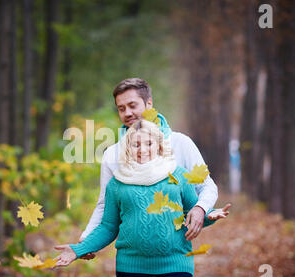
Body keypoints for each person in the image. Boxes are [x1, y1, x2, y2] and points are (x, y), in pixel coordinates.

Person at [54, 119, 230, 277]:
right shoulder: (117, 184)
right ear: (128, 148)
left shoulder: (179, 176)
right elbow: (108, 227)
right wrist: (78, 249)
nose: (143, 149)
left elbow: (193, 214)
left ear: (159, 145)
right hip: (131, 270)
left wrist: (209, 215)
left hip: (176, 266)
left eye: (149, 143)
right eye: (136, 144)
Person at [79, 78, 219, 261]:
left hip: (175, 258)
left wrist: (200, 208)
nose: (127, 113)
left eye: (132, 105)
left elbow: (207, 186)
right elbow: (104, 204)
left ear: (149, 104)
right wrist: (87, 239)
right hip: (131, 261)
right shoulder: (112, 155)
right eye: (121, 109)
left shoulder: (180, 143)